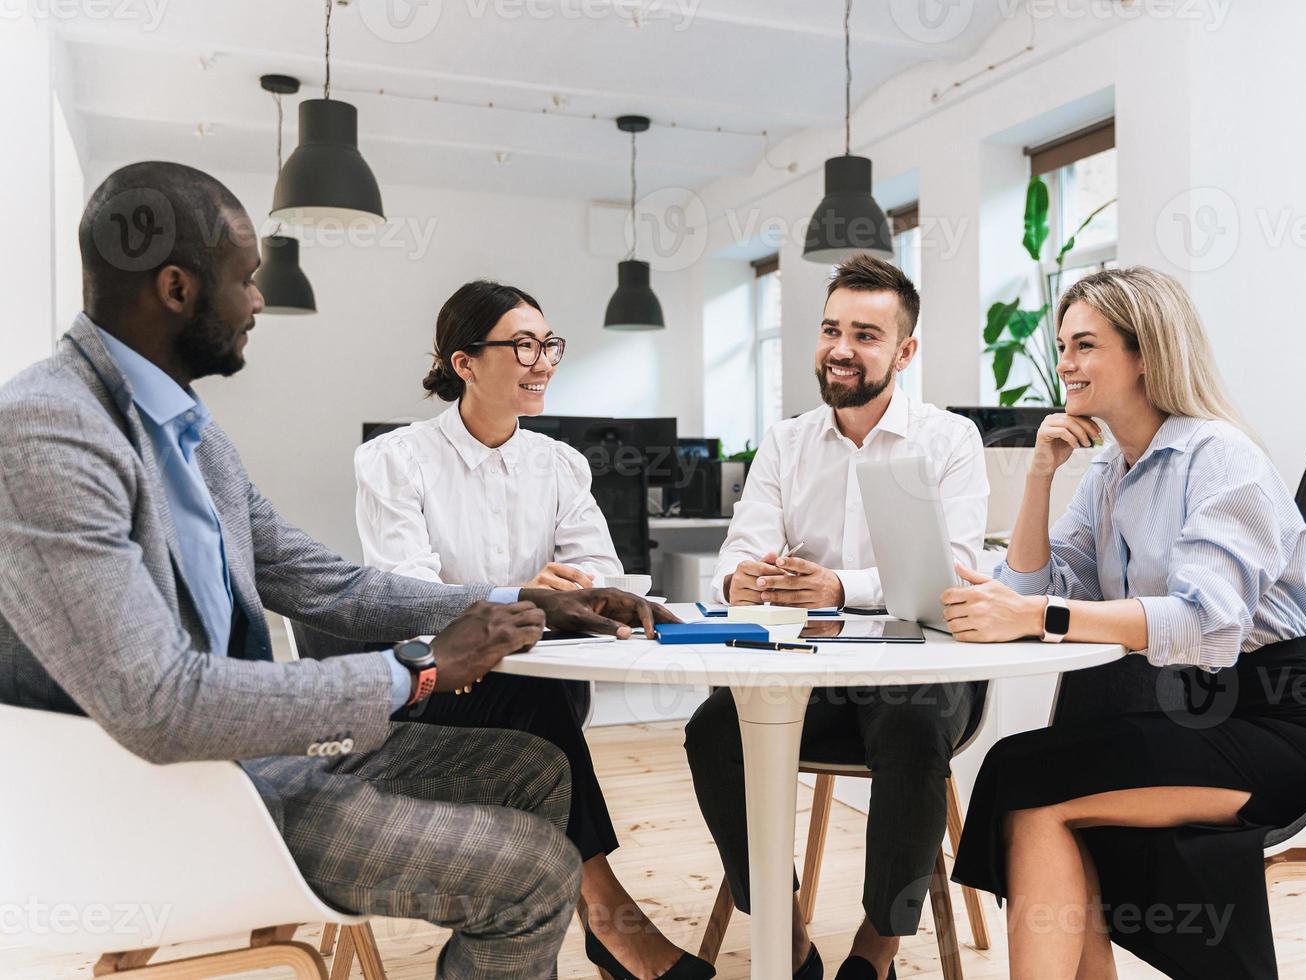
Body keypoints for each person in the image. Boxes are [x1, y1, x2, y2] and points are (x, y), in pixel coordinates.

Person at [0, 161, 674, 980]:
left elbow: (329, 583)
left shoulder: (192, 435)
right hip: (173, 799)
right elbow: (159, 704)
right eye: (244, 280)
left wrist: (510, 600)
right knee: (532, 873)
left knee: (539, 768)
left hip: (252, 761)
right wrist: (419, 669)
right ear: (176, 288)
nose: (257, 302)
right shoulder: (48, 431)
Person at [942, 266, 1306, 979]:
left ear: (1146, 355)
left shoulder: (1222, 459)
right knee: (1021, 772)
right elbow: (1032, 587)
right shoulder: (1112, 471)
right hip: (1201, 715)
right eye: (1062, 346)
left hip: (1287, 726)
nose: (1064, 365)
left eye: (1084, 346)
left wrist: (1033, 612)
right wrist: (1041, 476)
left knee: (1033, 787)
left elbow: (1205, 627)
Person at [354, 279, 714, 980]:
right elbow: (408, 599)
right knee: (537, 708)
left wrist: (583, 593)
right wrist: (523, 596)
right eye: (522, 345)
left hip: (540, 689)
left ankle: (559, 929)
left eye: (549, 343)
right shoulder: (394, 461)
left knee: (542, 702)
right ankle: (611, 922)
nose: (543, 359)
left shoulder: (559, 464)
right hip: (434, 693)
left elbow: (598, 572)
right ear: (464, 363)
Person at [685, 254, 991, 980]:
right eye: (830, 329)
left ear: (905, 351)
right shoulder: (787, 443)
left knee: (914, 731)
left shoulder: (949, 441)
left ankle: (876, 947)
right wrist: (746, 576)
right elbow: (739, 554)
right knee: (712, 733)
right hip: (807, 678)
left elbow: (944, 578)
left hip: (916, 672)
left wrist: (838, 589)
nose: (841, 349)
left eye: (865, 333)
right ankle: (785, 933)